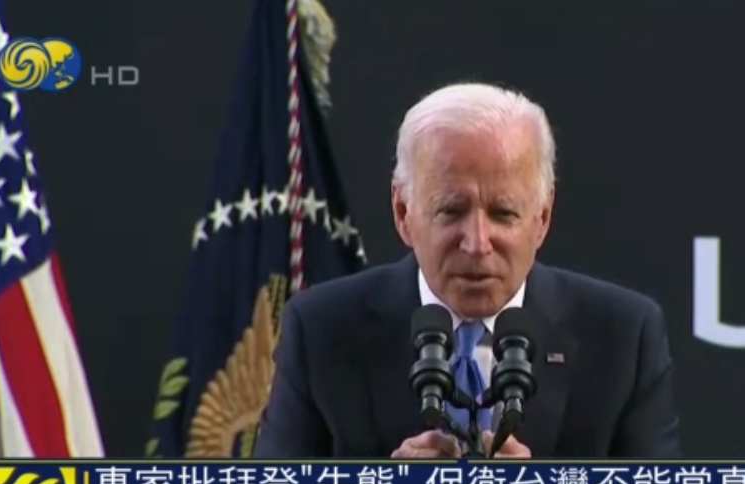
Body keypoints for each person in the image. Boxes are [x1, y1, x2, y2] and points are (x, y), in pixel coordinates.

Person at [252, 82, 680, 458]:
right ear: (403, 212)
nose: (477, 243)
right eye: (451, 211)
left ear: (543, 217)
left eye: (503, 213)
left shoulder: (623, 337)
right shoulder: (321, 330)